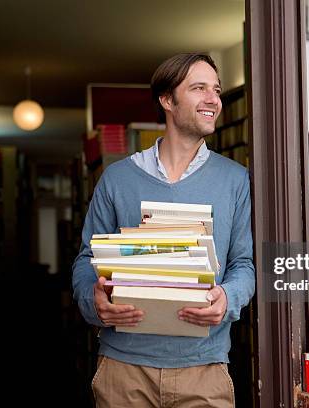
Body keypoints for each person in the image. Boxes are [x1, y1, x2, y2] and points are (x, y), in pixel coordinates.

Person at [72, 53, 255, 408]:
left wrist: (228, 298)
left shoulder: (236, 180)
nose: (213, 99)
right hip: (123, 370)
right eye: (199, 88)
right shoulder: (117, 178)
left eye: (215, 90)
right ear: (167, 100)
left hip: (204, 368)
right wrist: (93, 304)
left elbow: (244, 264)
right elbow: (86, 260)